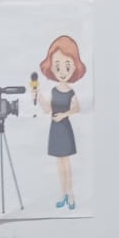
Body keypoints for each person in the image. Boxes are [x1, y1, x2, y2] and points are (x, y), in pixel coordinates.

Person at [37, 34, 85, 210]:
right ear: (51, 67)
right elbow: (47, 109)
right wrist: (38, 95)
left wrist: (64, 115)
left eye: (67, 66)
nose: (62, 72)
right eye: (58, 67)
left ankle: (71, 194)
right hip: (55, 129)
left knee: (66, 163)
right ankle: (63, 194)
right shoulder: (53, 91)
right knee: (59, 163)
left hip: (64, 127)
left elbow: (77, 108)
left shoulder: (71, 92)